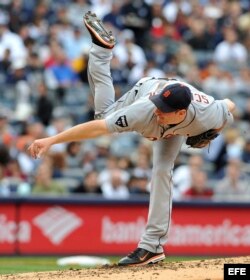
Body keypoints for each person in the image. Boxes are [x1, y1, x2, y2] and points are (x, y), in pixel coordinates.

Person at [28, 11, 236, 266]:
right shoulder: (147, 108)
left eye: (163, 109)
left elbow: (229, 105)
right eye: (159, 106)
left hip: (178, 123)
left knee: (162, 170)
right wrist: (52, 140)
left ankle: (151, 247)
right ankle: (102, 51)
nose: (157, 109)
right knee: (104, 114)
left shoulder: (208, 115)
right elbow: (97, 128)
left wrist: (214, 132)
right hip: (149, 88)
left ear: (181, 113)